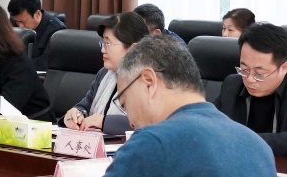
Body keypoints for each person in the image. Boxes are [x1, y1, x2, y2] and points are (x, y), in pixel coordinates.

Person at [104, 35, 275, 176]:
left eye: (125, 103)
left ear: (149, 81)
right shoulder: (259, 147)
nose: (130, 121)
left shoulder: (152, 143)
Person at [62, 12, 149, 136]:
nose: (103, 50)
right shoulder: (104, 73)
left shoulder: (148, 80)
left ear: (133, 49)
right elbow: (85, 105)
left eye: (108, 43)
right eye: (103, 43)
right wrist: (76, 114)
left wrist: (103, 121)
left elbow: (149, 123)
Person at [218, 22, 287, 155]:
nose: (249, 79)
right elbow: (211, 123)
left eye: (259, 74)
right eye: (244, 70)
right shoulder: (232, 85)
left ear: (284, 68)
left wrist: (241, 139)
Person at [6, 0, 65, 70]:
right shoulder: (14, 21)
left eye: (22, 22)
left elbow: (44, 63)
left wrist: (15, 65)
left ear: (37, 14)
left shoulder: (56, 31)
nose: (20, 26)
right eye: (17, 22)